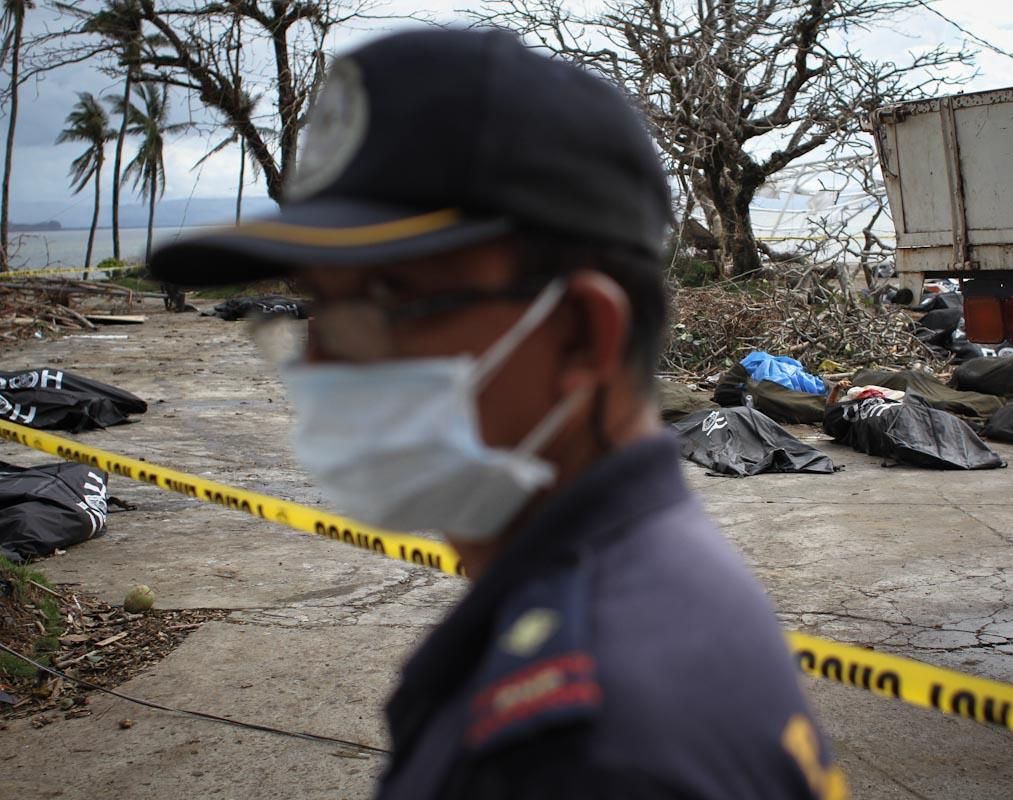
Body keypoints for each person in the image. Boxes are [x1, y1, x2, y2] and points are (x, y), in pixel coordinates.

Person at [150, 26, 842, 800]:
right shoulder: (637, 579)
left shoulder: (584, 756)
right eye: (317, 307)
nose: (317, 365)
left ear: (583, 333)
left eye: (381, 303)